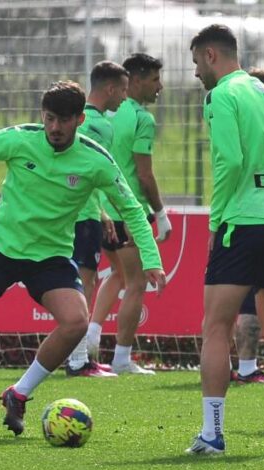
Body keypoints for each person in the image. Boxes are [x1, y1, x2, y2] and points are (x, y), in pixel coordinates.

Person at [0, 80, 167, 436]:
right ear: (42, 115)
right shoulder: (20, 139)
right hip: (1, 247)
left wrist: (151, 258)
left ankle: (19, 392)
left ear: (79, 120)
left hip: (50, 256)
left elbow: (131, 208)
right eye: (49, 118)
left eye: (64, 120)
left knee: (76, 322)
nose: (55, 127)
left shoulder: (96, 160)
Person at [185, 25, 264, 456]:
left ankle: (212, 434)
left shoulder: (222, 95)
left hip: (242, 224)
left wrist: (217, 220)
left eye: (197, 63)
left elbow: (231, 161)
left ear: (210, 55)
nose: (196, 73)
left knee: (216, 326)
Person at [84, 53, 171, 375]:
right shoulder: (140, 117)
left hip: (101, 209)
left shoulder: (103, 114)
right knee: (136, 282)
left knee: (117, 274)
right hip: (127, 209)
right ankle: (121, 358)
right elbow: (144, 173)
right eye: (154, 80)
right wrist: (160, 213)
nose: (160, 86)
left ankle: (91, 337)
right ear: (134, 81)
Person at [65, 61, 128, 378]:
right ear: (110, 89)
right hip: (83, 214)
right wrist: (110, 210)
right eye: (123, 90)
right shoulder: (100, 125)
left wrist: (102, 212)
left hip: (77, 211)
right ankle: (77, 359)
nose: (124, 98)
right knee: (83, 283)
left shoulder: (78, 120)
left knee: (79, 282)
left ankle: (77, 356)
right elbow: (100, 175)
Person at [229, 67, 264, 386]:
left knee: (224, 301)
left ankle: (223, 365)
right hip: (262, 220)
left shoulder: (235, 120)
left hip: (234, 217)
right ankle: (247, 368)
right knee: (253, 299)